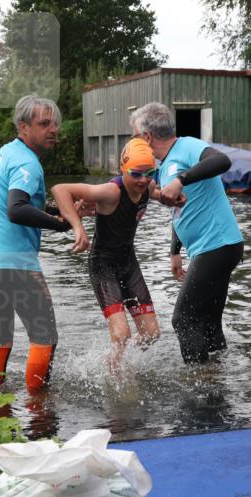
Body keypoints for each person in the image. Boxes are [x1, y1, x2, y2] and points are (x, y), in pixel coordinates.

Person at [130, 102, 244, 364]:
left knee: (183, 319)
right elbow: (180, 209)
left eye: (136, 137)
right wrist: (174, 251)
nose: (136, 144)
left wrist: (181, 179)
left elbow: (221, 160)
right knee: (208, 322)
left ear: (147, 136)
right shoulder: (164, 164)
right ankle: (217, 377)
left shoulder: (187, 146)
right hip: (214, 248)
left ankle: (200, 386)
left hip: (217, 246)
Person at [0, 95, 71, 392]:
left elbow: (25, 203)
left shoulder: (9, 155)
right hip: (15, 265)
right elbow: (17, 210)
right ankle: (38, 410)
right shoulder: (27, 161)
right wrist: (61, 225)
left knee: (0, 339)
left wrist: (62, 210)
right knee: (45, 337)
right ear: (23, 127)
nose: (53, 129)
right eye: (44, 124)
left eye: (54, 123)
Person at [51, 138, 164, 368]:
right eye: (136, 174)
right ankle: (114, 375)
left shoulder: (148, 187)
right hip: (103, 267)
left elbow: (156, 193)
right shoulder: (110, 192)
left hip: (129, 264)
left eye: (150, 172)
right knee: (121, 335)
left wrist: (170, 198)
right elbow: (60, 189)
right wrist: (78, 227)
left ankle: (116, 364)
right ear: (123, 169)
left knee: (151, 334)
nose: (143, 180)